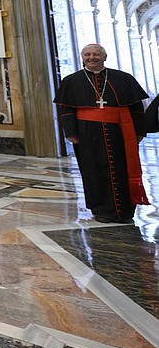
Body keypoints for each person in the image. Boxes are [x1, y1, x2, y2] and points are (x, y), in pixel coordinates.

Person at [55, 43, 148, 223]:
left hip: (119, 131)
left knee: (122, 168)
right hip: (87, 133)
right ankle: (102, 210)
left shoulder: (123, 78)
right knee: (93, 170)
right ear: (82, 58)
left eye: (96, 54)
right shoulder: (71, 81)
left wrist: (139, 131)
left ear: (104, 57)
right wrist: (70, 132)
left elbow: (136, 108)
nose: (92, 58)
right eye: (87, 54)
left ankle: (125, 210)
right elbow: (65, 109)